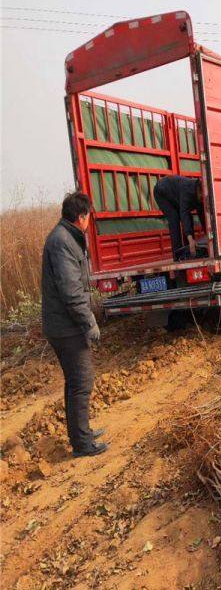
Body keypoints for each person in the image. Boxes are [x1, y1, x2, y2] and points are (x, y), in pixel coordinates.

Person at [42, 192, 108, 458]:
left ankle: (82, 434)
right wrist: (89, 322)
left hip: (64, 325)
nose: (89, 222)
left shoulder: (65, 237)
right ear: (82, 218)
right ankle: (82, 445)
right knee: (82, 382)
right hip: (66, 327)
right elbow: (71, 292)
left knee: (75, 382)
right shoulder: (62, 242)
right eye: (89, 217)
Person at [153, 175, 203, 261]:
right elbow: (184, 214)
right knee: (174, 219)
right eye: (201, 196)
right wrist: (191, 240)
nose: (202, 198)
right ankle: (177, 256)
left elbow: (202, 216)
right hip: (161, 192)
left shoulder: (199, 194)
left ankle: (189, 252)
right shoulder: (187, 191)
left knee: (189, 218)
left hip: (175, 195)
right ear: (198, 190)